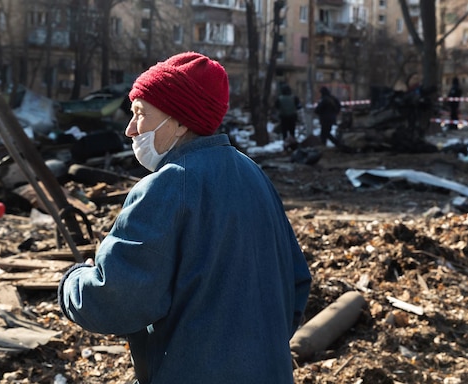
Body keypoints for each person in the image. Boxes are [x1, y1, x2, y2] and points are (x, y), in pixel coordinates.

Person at [58, 52, 312, 384]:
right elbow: (296, 284)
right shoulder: (253, 174)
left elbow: (117, 300)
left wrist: (72, 282)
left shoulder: (166, 186)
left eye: (140, 114)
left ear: (180, 121)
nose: (130, 129)